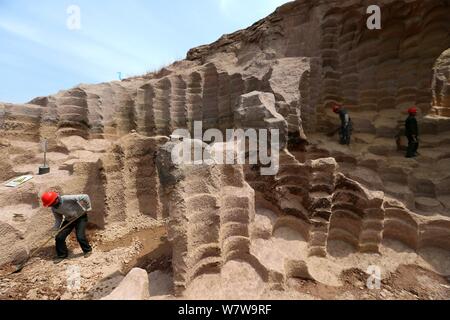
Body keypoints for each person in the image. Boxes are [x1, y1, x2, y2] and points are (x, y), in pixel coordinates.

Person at [41, 192, 93, 261]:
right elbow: (58, 219)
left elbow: (85, 196)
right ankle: (62, 255)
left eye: (51, 203)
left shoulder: (66, 198)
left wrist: (88, 207)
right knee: (59, 237)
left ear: (56, 199)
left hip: (80, 217)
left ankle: (87, 250)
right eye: (50, 204)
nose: (51, 205)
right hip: (69, 220)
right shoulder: (54, 208)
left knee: (80, 236)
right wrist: (55, 229)